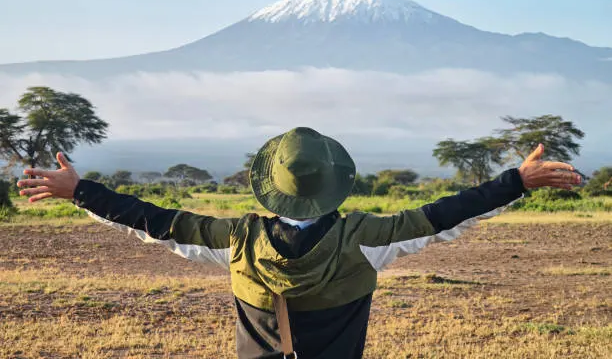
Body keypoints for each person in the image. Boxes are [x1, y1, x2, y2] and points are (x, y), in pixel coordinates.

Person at [17, 127, 581, 359]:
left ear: (267, 188)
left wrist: (80, 191)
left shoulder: (234, 240)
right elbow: (446, 215)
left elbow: (152, 220)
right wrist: (516, 182)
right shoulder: (370, 238)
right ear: (338, 184)